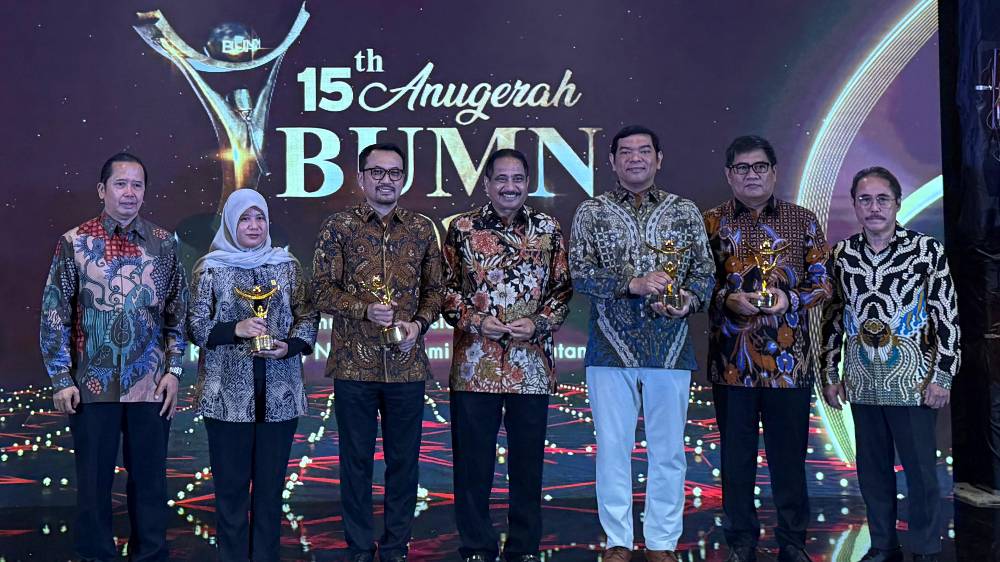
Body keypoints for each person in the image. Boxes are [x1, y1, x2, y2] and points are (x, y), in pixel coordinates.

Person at [568, 125, 715, 562]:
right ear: (611, 161)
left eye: (644, 151)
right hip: (610, 349)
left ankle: (661, 543)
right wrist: (631, 283)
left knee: (668, 453)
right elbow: (579, 274)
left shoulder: (684, 211)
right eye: (626, 152)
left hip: (670, 348)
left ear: (659, 158)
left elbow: (705, 273)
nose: (636, 158)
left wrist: (687, 301)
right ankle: (617, 541)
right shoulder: (592, 211)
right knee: (613, 449)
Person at [39, 152, 187, 561]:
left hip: (150, 385)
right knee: (93, 484)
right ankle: (95, 555)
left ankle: (150, 555)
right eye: (121, 184)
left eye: (137, 185)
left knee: (150, 483)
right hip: (92, 384)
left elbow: (177, 313)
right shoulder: (74, 243)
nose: (129, 192)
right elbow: (54, 313)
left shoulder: (163, 243)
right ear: (102, 190)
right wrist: (61, 378)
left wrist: (174, 370)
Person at [312, 142, 444, 562]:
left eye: (395, 173)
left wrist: (418, 325)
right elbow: (320, 290)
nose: (387, 180)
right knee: (355, 463)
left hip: (407, 367)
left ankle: (395, 547)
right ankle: (358, 547)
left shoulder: (421, 229)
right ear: (361, 177)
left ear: (404, 178)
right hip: (354, 366)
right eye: (378, 172)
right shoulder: (339, 227)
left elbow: (436, 292)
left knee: (404, 464)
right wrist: (363, 310)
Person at [703, 135, 831, 562]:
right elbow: (697, 285)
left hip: (789, 365)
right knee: (736, 460)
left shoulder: (802, 220)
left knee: (789, 460)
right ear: (729, 175)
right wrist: (726, 299)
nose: (752, 175)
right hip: (732, 365)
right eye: (742, 168)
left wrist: (789, 299)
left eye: (760, 167)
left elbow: (824, 284)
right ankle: (741, 542)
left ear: (774, 172)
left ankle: (792, 542)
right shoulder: (711, 222)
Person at [821, 167, 960, 562]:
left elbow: (946, 316)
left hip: (914, 383)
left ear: (897, 203)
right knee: (873, 472)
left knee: (920, 473)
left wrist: (943, 376)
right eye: (865, 200)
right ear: (855, 206)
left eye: (882, 199)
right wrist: (830, 373)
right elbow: (832, 318)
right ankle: (883, 545)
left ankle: (926, 548)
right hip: (862, 382)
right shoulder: (841, 255)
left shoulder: (925, 251)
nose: (874, 207)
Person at [442, 149, 573, 562]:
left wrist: (539, 323)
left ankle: (523, 548)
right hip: (473, 365)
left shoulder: (548, 229)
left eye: (517, 179)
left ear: (528, 183)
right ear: (486, 184)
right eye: (501, 178)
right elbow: (446, 291)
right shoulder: (461, 228)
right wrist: (476, 321)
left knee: (528, 466)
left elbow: (562, 290)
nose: (509, 186)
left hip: (530, 365)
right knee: (472, 466)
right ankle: (476, 547)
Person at [188, 188, 318, 561]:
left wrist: (290, 346)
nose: (254, 225)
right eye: (244, 218)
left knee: (270, 491)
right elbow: (195, 326)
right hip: (226, 399)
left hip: (280, 395)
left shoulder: (287, 265)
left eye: (260, 217)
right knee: (230, 492)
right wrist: (235, 329)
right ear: (231, 223)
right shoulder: (211, 268)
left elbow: (307, 315)